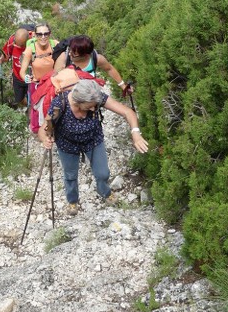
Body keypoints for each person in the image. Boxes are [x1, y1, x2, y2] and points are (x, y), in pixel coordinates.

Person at [38, 79, 148, 214]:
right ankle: (72, 201)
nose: (92, 109)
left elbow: (127, 112)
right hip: (67, 143)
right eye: (89, 106)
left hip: (93, 139)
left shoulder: (95, 97)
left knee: (103, 173)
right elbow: (44, 127)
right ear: (78, 101)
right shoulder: (59, 105)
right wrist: (45, 139)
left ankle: (105, 192)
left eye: (95, 106)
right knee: (70, 175)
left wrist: (136, 133)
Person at [54, 35, 133, 97]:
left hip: (90, 96)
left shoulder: (96, 58)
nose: (70, 54)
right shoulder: (64, 58)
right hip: (70, 97)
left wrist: (123, 86)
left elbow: (109, 69)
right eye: (70, 50)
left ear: (86, 55)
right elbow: (55, 80)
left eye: (74, 54)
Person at [19, 22, 58, 132]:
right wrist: (25, 77)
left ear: (50, 34)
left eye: (46, 34)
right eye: (40, 34)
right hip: (38, 84)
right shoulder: (30, 50)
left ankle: (54, 128)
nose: (43, 37)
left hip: (54, 82)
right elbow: (22, 71)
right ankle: (40, 130)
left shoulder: (55, 45)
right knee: (37, 107)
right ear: (35, 35)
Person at [0, 27, 33, 106]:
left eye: (21, 45)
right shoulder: (11, 41)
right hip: (17, 77)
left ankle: (32, 112)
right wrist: (1, 59)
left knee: (34, 101)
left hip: (31, 78)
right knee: (20, 100)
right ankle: (28, 107)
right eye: (16, 43)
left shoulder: (34, 42)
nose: (18, 46)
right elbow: (6, 57)